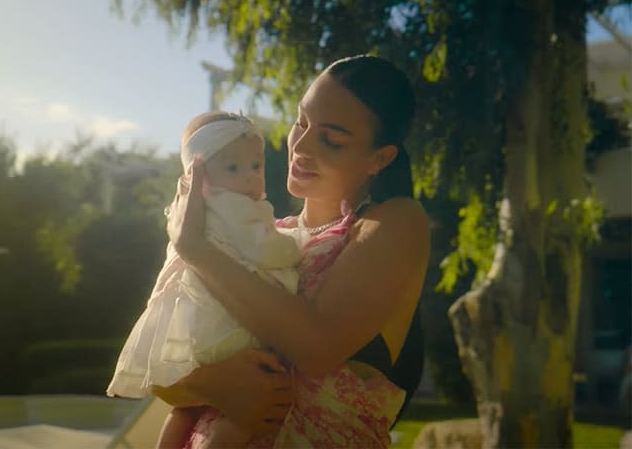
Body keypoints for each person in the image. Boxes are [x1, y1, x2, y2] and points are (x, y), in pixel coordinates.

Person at [155, 54, 430, 447]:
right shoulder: (264, 236)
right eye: (300, 122)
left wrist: (194, 246)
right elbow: (160, 357)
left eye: (331, 139)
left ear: (380, 158)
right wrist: (211, 382)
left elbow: (315, 347)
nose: (299, 145)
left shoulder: (394, 223)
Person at [107, 111, 302, 447]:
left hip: (195, 329)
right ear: (201, 175)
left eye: (255, 166)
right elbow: (265, 251)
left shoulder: (191, 209)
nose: (248, 178)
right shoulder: (233, 207)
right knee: (243, 410)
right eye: (232, 168)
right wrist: (296, 246)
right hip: (229, 327)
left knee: (184, 411)